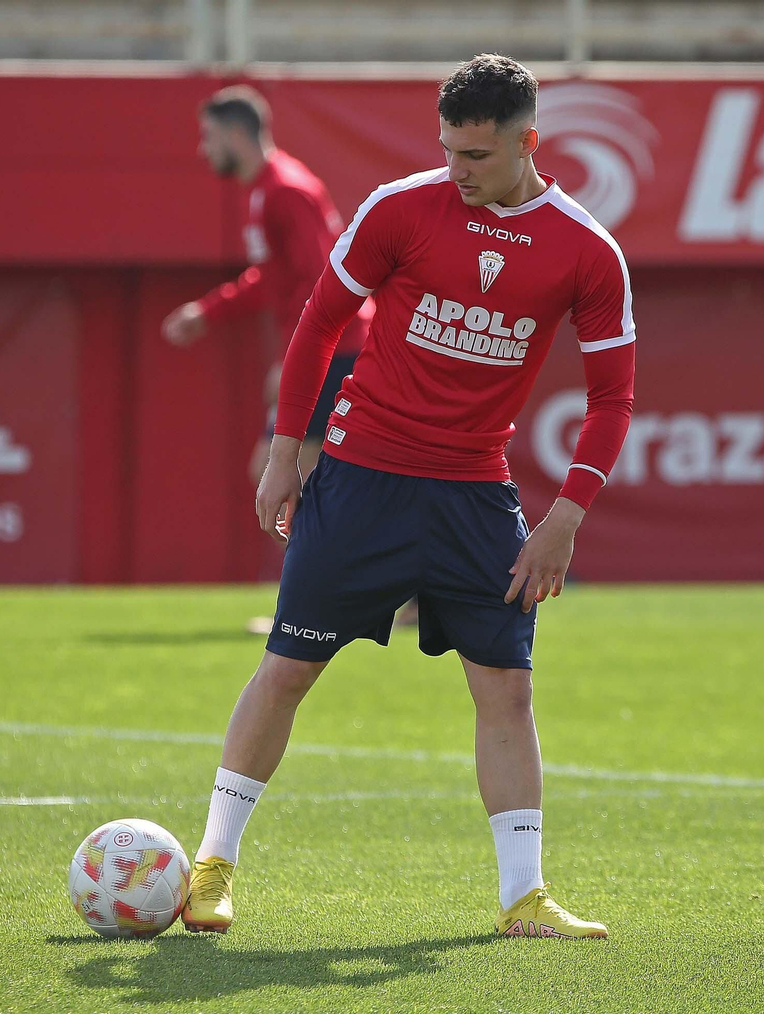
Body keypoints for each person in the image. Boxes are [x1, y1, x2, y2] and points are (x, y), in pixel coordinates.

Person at [182, 54, 636, 939]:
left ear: (527, 142)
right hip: (360, 478)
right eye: (449, 150)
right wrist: (284, 458)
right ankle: (212, 868)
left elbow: (613, 398)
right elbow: (317, 325)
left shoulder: (586, 248)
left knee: (506, 689)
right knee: (288, 669)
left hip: (475, 493)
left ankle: (524, 898)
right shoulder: (398, 208)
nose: (458, 170)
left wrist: (565, 520)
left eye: (476, 155)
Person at [162, 85, 371, 486]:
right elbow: (274, 276)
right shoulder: (264, 189)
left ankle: (337, 550)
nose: (203, 150)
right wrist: (207, 311)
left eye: (209, 136)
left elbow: (320, 281)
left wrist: (297, 359)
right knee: (286, 482)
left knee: (283, 480)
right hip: (325, 349)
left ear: (236, 135)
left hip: (335, 351)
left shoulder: (286, 190)